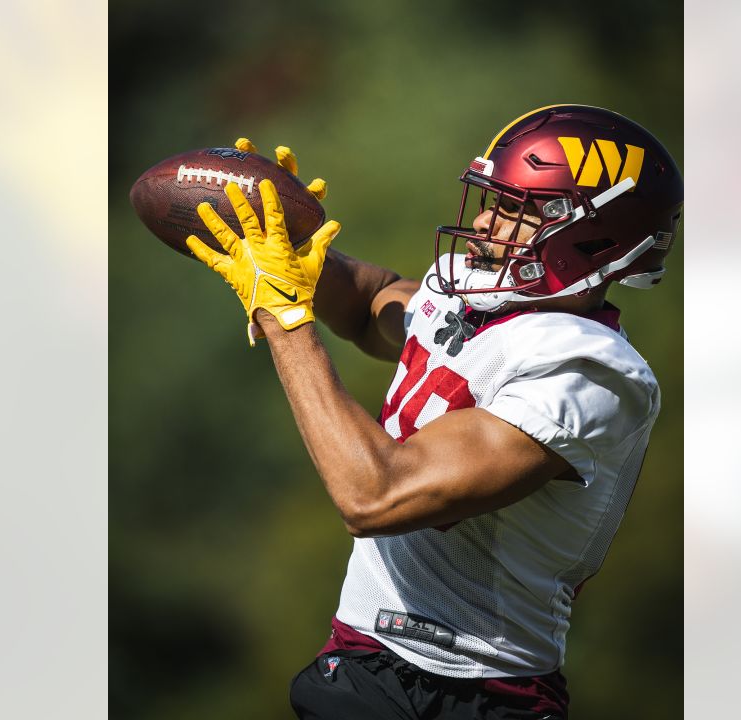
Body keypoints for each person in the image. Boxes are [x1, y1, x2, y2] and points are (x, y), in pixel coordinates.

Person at [183, 105, 683, 720]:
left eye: (516, 211)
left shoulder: (591, 372)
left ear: (595, 240)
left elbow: (375, 496)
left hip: (484, 695)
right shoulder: (477, 289)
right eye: (491, 200)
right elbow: (373, 302)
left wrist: (284, 318)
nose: (485, 223)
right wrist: (287, 246)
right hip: (362, 660)